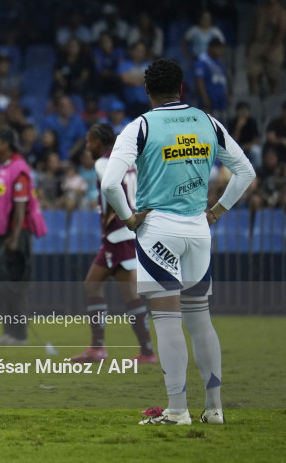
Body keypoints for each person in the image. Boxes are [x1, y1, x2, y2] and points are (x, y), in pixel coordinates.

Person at [101, 59, 255, 425]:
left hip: (158, 230)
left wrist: (128, 219)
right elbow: (246, 171)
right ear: (182, 88)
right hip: (199, 230)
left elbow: (110, 183)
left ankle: (177, 410)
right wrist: (216, 211)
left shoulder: (140, 126)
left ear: (147, 91)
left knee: (168, 320)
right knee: (200, 319)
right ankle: (214, 409)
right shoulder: (208, 122)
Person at [70, 123, 156, 364]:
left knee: (129, 293)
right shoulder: (128, 162)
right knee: (92, 284)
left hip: (119, 233)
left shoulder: (102, 163)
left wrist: (112, 214)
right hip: (119, 235)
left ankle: (147, 352)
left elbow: (110, 187)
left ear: (99, 141)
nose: (87, 147)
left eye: (90, 142)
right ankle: (98, 347)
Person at [0, 127, 47, 347]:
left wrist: (15, 235)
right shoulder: (5, 167)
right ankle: (9, 332)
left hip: (16, 234)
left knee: (14, 285)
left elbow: (21, 205)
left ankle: (19, 335)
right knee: (2, 284)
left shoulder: (19, 168)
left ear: (6, 144)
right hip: (4, 233)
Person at [246, 0, 286, 95]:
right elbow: (253, 28)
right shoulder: (260, 9)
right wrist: (249, 46)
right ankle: (254, 101)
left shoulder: (281, 12)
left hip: (273, 46)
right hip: (257, 44)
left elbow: (281, 32)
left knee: (273, 78)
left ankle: (274, 103)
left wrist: (271, 48)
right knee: (252, 75)